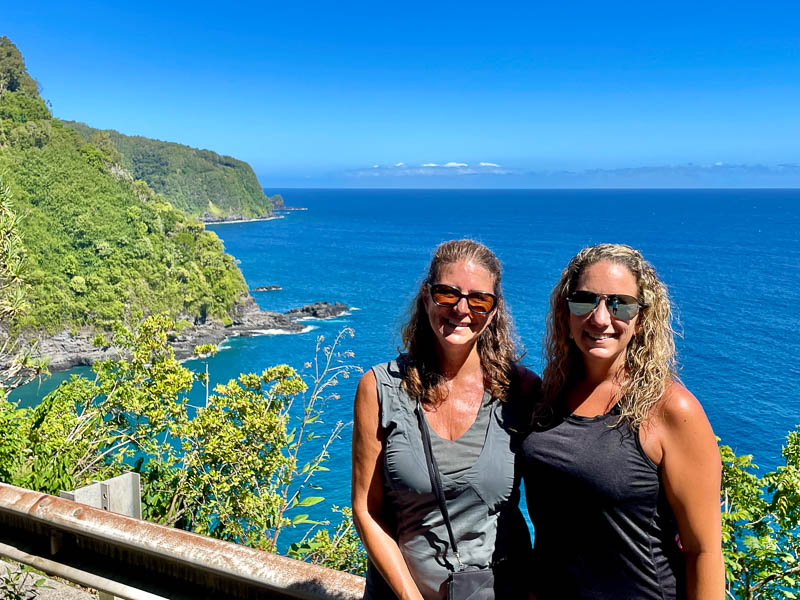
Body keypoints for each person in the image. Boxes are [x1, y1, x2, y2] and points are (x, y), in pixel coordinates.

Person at [520, 243, 724, 600]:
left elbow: (703, 551)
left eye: (620, 304)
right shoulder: (547, 398)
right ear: (565, 312)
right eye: (584, 300)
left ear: (641, 320)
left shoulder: (671, 409)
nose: (600, 318)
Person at [351, 239, 536, 600]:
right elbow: (366, 510)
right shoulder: (380, 389)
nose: (461, 309)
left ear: (494, 310)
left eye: (479, 299)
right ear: (426, 297)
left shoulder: (521, 392)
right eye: (447, 294)